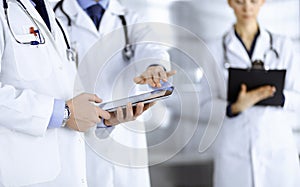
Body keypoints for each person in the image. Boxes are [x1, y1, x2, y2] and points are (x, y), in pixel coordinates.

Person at [0, 0, 151, 186]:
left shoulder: (48, 12)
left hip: (69, 173)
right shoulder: (7, 11)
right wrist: (64, 112)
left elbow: (64, 90)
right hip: (23, 174)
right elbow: (64, 108)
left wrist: (102, 120)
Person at [53, 0, 176, 187]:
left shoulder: (129, 19)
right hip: (78, 137)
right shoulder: (55, 17)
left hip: (126, 138)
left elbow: (152, 48)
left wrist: (154, 67)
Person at [201, 0, 300, 186]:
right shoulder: (214, 49)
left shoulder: (283, 45)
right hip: (234, 154)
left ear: (262, 2)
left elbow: (298, 98)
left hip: (277, 151)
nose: (247, 8)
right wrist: (235, 107)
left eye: (253, 1)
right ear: (230, 2)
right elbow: (205, 105)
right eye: (240, 2)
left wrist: (272, 95)